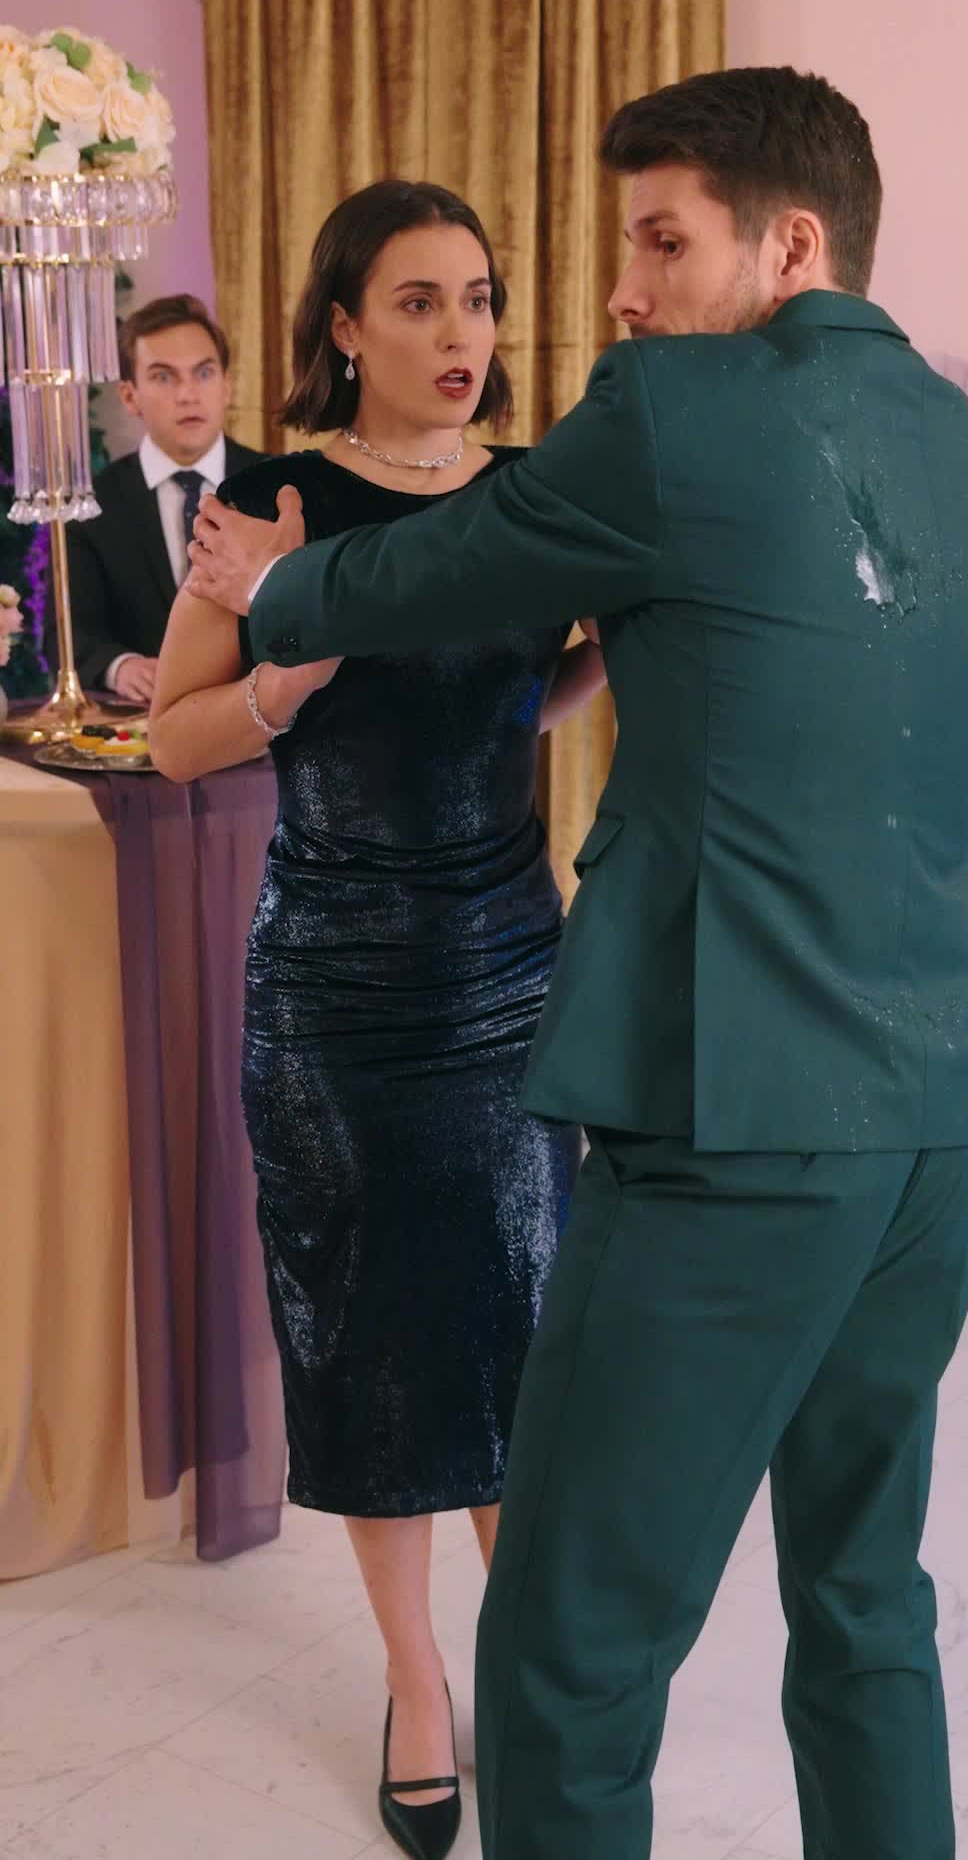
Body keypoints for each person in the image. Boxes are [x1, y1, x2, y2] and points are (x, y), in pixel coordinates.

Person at [185, 69, 968, 1860]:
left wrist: (278, 584)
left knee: (566, 1658)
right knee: (867, 1605)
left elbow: (448, 563)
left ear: (789, 244)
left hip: (738, 1115)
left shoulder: (675, 413)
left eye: (661, 242)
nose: (623, 292)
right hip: (943, 1117)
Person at [150, 180, 605, 1860]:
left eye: (477, 298)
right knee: (376, 1346)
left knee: (521, 1332)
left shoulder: (535, 495)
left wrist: (591, 667)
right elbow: (179, 739)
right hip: (337, 998)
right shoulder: (275, 503)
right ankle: (419, 1680)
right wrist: (288, 667)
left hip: (510, 974)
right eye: (417, 302)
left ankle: (532, 1675)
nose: (460, 332)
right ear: (345, 328)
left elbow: (516, 691)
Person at [44, 294, 262, 704]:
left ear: (226, 386)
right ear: (130, 397)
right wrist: (120, 666)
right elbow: (67, 635)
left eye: (203, 373)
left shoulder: (278, 487)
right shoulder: (89, 504)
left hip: (262, 718)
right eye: (164, 377)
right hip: (143, 721)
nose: (188, 394)